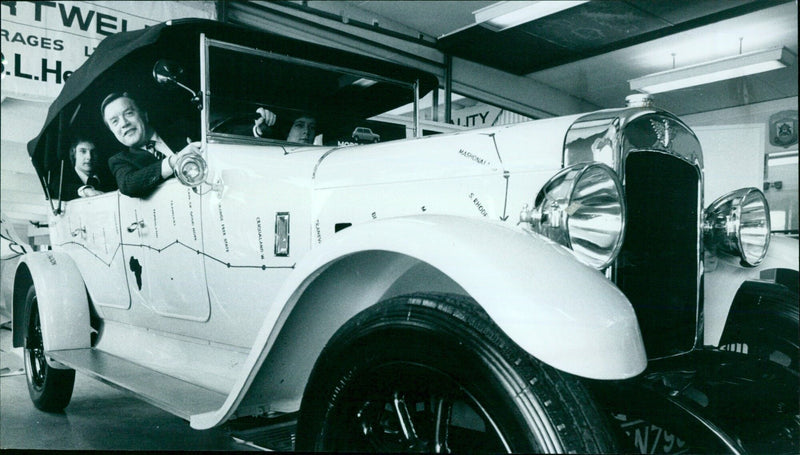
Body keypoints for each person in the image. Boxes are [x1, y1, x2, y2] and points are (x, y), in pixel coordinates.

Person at [102, 92, 201, 198]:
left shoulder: (183, 128)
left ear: (144, 114)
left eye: (129, 113)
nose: (124, 123)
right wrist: (173, 161)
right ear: (112, 131)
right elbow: (128, 185)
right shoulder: (119, 160)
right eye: (115, 121)